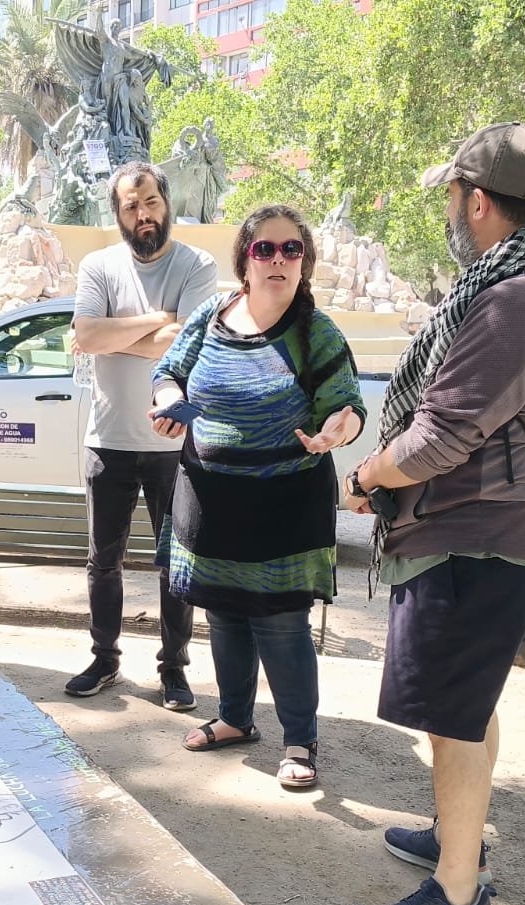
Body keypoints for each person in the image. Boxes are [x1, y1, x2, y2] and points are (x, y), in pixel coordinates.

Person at [340, 122, 525, 905]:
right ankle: (459, 834)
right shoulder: (519, 282)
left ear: (478, 202)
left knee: (452, 714)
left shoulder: (518, 297)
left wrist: (370, 474)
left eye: (452, 196)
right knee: (465, 704)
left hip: (474, 533)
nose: (448, 211)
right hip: (474, 533)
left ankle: (459, 896)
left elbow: (443, 435)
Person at [151, 205, 363, 788]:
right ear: (245, 258)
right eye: (264, 249)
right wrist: (170, 400)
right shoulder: (211, 313)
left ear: (305, 263)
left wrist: (336, 429)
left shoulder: (314, 331)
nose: (277, 259)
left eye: (290, 250)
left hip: (283, 505)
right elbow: (169, 371)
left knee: (281, 624)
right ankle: (236, 719)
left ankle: (300, 741)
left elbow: (346, 405)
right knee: (223, 614)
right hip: (209, 497)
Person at [66, 162, 218, 707]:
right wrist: (157, 323)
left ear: (165, 201)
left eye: (150, 202)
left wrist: (111, 337)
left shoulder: (197, 264)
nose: (143, 214)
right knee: (102, 562)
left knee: (176, 563)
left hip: (174, 444)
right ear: (118, 213)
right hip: (108, 439)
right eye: (131, 206)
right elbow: (85, 332)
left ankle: (173, 670)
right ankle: (104, 660)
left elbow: (190, 344)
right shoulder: (99, 265)